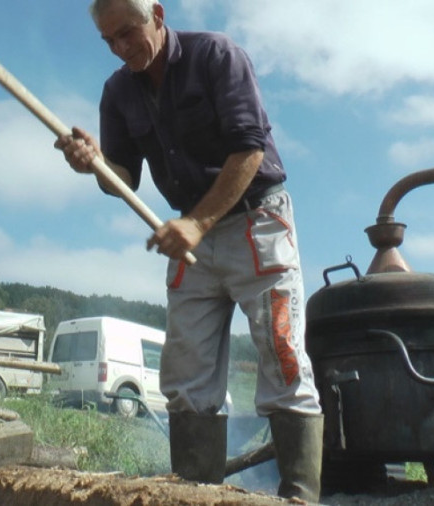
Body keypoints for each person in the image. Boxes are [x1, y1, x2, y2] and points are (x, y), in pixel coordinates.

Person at [54, 0, 324, 502]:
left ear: (157, 13)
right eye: (109, 41)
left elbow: (250, 147)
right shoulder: (117, 92)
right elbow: (125, 178)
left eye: (128, 33)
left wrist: (199, 222)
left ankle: (300, 499)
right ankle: (196, 497)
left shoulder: (217, 56)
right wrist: (93, 164)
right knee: (186, 375)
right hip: (186, 229)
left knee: (283, 357)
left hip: (256, 220)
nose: (121, 48)